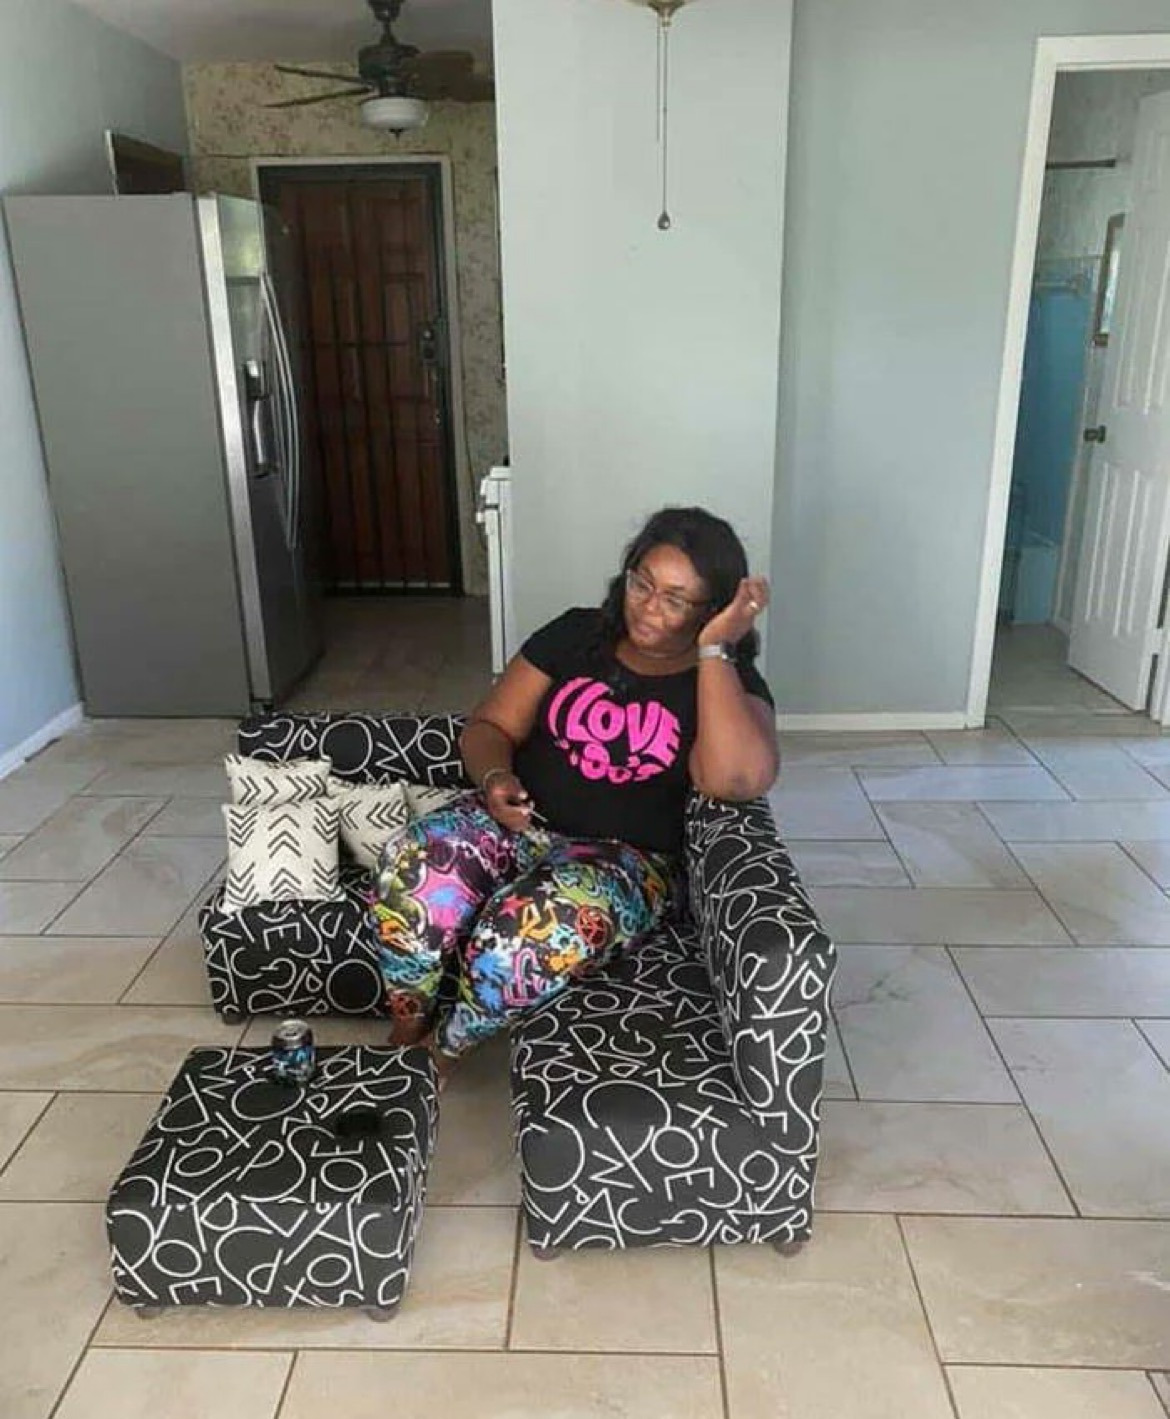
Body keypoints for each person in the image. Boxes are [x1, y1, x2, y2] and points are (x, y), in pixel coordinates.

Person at [368, 505, 780, 1077]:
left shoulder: (725, 682)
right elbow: (490, 726)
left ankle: (444, 1050)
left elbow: (736, 780)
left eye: (676, 599)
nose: (650, 607)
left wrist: (715, 651)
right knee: (411, 863)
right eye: (642, 584)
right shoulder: (576, 633)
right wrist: (495, 779)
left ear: (712, 610)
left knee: (519, 934)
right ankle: (407, 1027)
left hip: (627, 859)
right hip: (517, 824)